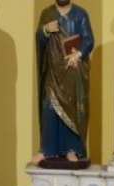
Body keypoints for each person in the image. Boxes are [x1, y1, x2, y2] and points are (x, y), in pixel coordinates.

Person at [34, 0, 94, 166]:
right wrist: (45, 30)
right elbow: (40, 41)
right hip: (53, 72)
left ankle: (72, 149)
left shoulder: (80, 14)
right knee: (49, 107)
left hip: (72, 70)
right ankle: (47, 149)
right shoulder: (47, 13)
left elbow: (89, 39)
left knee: (72, 108)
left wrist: (78, 54)